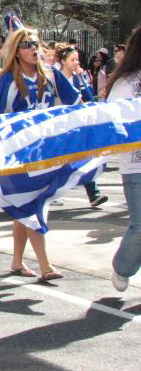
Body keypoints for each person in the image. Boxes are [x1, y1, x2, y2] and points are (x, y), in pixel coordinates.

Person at [0, 28, 81, 281]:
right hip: (18, 156)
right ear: (16, 51)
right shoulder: (7, 80)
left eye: (35, 44)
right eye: (26, 45)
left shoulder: (51, 74)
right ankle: (45, 265)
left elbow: (75, 105)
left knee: (26, 207)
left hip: (47, 153)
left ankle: (17, 262)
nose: (33, 49)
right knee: (32, 205)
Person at [105, 26, 141, 292]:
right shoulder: (126, 83)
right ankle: (122, 268)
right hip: (136, 165)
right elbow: (114, 121)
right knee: (139, 226)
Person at [57, 45, 108, 207]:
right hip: (61, 125)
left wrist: (84, 79)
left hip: (78, 124)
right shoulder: (56, 79)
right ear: (63, 62)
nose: (76, 63)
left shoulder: (80, 77)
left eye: (77, 59)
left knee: (86, 157)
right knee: (60, 161)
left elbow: (87, 97)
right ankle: (50, 192)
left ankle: (93, 193)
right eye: (72, 60)